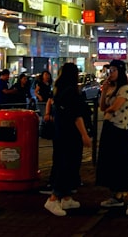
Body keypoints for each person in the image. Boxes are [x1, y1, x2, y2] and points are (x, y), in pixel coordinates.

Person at [44, 62, 92, 216]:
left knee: (64, 164)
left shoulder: (59, 90)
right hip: (70, 135)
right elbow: (76, 116)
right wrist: (84, 135)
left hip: (61, 133)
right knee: (67, 166)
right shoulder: (71, 91)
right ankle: (53, 199)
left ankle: (66, 197)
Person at [96, 59, 128, 216]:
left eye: (113, 70)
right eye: (109, 70)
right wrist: (104, 91)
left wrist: (108, 110)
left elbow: (114, 107)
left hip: (120, 130)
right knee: (110, 163)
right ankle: (117, 197)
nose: (110, 73)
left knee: (123, 164)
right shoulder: (111, 88)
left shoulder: (125, 89)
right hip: (109, 129)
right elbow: (102, 108)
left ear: (120, 72)